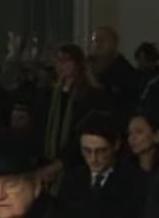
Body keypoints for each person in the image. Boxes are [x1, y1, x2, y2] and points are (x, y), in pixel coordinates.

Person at [39, 43, 109, 190]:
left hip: (76, 164)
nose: (61, 65)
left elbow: (82, 132)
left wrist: (61, 162)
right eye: (58, 60)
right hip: (48, 160)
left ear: (77, 64)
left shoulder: (91, 95)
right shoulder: (51, 95)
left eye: (66, 60)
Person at [89, 27, 140, 121]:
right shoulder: (85, 67)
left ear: (114, 44)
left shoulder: (126, 73)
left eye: (103, 40)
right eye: (95, 40)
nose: (98, 44)